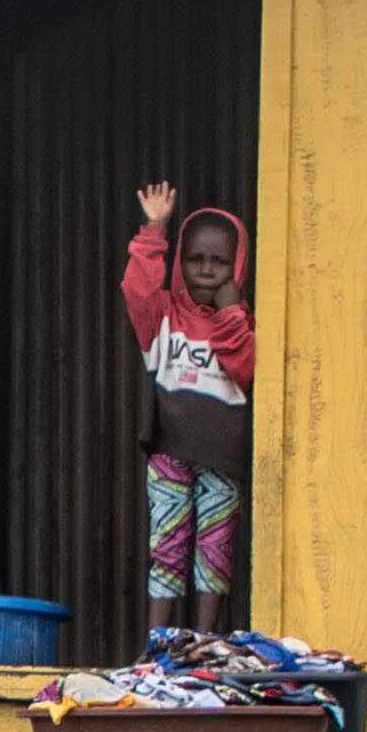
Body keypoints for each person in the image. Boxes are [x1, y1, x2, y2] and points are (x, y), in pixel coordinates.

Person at [120, 187, 254, 639]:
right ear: (181, 260)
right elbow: (137, 288)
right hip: (168, 451)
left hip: (223, 457)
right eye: (196, 259)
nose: (206, 270)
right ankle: (158, 645)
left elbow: (247, 368)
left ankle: (203, 641)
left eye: (219, 262)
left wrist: (230, 313)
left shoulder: (243, 322)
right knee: (168, 543)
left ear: (236, 267)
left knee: (215, 548)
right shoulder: (161, 315)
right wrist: (154, 230)